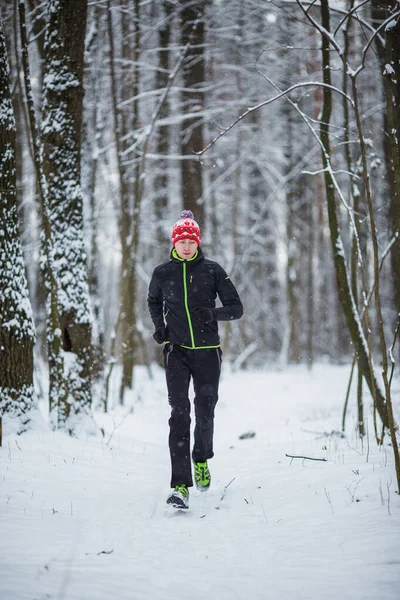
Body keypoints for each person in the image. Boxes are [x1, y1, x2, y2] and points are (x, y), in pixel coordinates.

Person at [147, 210, 243, 509]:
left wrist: (212, 313)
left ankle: (201, 458)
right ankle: (179, 486)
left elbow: (236, 308)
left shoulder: (212, 270)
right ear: (174, 243)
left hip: (207, 354)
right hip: (177, 352)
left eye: (191, 241)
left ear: (197, 242)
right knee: (179, 413)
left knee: (204, 412)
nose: (186, 246)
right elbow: (153, 300)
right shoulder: (162, 273)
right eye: (182, 241)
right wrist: (159, 326)